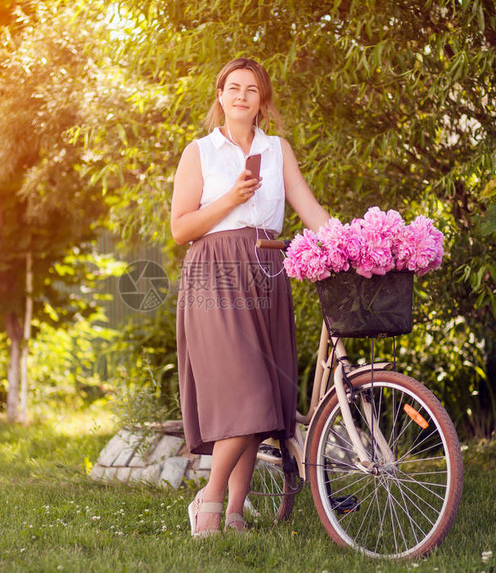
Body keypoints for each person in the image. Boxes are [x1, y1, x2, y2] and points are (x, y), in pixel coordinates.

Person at [171, 57, 329, 537]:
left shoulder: (278, 150)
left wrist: (352, 244)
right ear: (220, 96)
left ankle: (235, 513)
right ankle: (209, 501)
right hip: (215, 273)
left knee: (266, 397)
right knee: (250, 391)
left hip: (268, 271)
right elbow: (180, 229)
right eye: (233, 87)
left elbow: (309, 207)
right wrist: (230, 200)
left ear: (263, 101)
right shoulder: (198, 152)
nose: (242, 96)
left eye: (252, 89)